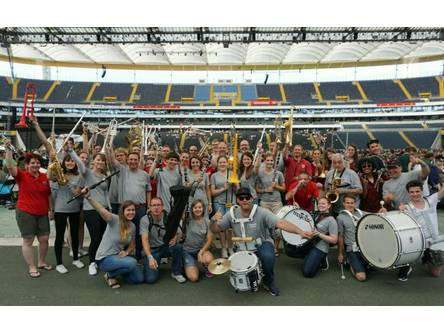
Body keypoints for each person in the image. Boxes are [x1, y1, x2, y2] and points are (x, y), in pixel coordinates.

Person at [211, 187, 312, 296]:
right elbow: (216, 229)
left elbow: (281, 223)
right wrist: (213, 220)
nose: (245, 200)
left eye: (247, 197)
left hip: (262, 243)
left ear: (252, 198)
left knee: (268, 257)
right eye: (241, 198)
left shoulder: (262, 212)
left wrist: (300, 232)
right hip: (242, 246)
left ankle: (269, 281)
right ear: (238, 200)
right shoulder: (231, 214)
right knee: (235, 262)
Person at [5, 148, 52, 278]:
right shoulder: (22, 175)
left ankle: (41, 262)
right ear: (27, 165)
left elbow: (48, 195)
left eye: (37, 163)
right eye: (32, 163)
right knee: (28, 240)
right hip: (25, 212)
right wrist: (9, 150)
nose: (35, 165)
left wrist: (51, 210)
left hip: (42, 213)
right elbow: (9, 165)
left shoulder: (44, 177)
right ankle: (32, 266)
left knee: (44, 238)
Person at [82, 190, 144, 289]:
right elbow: (101, 210)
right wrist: (89, 197)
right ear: (123, 211)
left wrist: (126, 252)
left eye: (133, 210)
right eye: (128, 210)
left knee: (138, 279)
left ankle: (118, 271)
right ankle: (110, 275)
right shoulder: (114, 220)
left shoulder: (132, 226)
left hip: (118, 257)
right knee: (132, 262)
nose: (131, 212)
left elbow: (132, 244)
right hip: (104, 258)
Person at [68, 147, 110, 275]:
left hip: (104, 209)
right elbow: (80, 163)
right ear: (94, 161)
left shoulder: (105, 176)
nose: (100, 163)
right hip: (91, 209)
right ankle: (92, 262)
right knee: (96, 237)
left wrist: (109, 208)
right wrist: (71, 151)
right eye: (98, 160)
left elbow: (106, 193)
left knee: (103, 237)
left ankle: (100, 259)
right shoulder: (87, 173)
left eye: (102, 161)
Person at [106, 148, 151, 261]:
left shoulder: (145, 175)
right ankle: (124, 255)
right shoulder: (122, 170)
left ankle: (138, 257)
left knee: (139, 234)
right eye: (130, 159)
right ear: (127, 160)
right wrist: (109, 146)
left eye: (135, 159)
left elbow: (148, 191)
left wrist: (149, 206)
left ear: (139, 160)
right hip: (125, 209)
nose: (133, 161)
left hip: (140, 208)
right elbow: (112, 160)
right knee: (124, 233)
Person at [395, 180, 444, 281]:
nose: (415, 194)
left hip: (434, 240)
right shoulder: (406, 207)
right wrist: (400, 211)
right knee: (404, 247)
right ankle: (407, 265)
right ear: (408, 193)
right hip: (418, 241)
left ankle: (427, 258)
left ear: (422, 191)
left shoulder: (431, 200)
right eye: (412, 192)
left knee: (436, 273)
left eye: (417, 191)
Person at [49, 154, 85, 274]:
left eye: (72, 161)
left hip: (74, 209)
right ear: (64, 163)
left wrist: (68, 182)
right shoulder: (57, 174)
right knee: (59, 236)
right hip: (60, 210)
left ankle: (75, 258)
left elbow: (77, 194)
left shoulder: (78, 176)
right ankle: (59, 263)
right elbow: (52, 189)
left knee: (74, 235)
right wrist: (52, 210)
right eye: (68, 161)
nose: (70, 163)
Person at [140, 197, 186, 284]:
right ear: (150, 207)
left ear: (162, 207)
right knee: (150, 279)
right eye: (153, 205)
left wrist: (175, 237)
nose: (156, 208)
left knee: (178, 247)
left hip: (165, 246)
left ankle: (176, 272)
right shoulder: (145, 220)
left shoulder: (168, 217)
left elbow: (176, 230)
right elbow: (144, 240)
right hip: (153, 250)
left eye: (158, 205)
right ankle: (149, 263)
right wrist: (150, 257)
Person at [302, 197, 338, 278]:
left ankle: (322, 259)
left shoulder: (331, 220)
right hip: (310, 244)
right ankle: (311, 257)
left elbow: (334, 240)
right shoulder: (316, 214)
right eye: (319, 203)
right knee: (290, 250)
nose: (320, 205)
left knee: (308, 273)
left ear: (329, 205)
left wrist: (318, 234)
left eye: (323, 203)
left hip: (320, 247)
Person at [210, 155, 237, 258]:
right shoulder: (214, 176)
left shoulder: (232, 174)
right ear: (218, 163)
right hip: (219, 203)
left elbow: (237, 190)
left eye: (224, 162)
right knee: (221, 227)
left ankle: (230, 247)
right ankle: (223, 248)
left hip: (231, 202)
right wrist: (223, 189)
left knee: (230, 227)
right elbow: (212, 192)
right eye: (220, 162)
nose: (222, 164)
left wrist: (234, 185)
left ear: (227, 163)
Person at [182, 199, 215, 282]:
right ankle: (188, 265)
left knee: (208, 260)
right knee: (194, 278)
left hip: (201, 250)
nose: (197, 209)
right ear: (192, 209)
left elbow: (209, 240)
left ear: (203, 209)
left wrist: (200, 252)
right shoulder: (187, 220)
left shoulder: (208, 222)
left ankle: (205, 266)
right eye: (195, 207)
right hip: (188, 251)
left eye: (200, 207)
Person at [337, 194, 367, 281]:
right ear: (343, 204)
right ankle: (350, 261)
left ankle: (355, 263)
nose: (350, 205)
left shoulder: (361, 213)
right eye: (347, 203)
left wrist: (382, 210)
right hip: (352, 248)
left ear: (355, 203)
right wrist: (340, 254)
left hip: (365, 247)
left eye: (352, 203)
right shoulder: (340, 217)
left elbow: (375, 215)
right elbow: (341, 236)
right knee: (362, 277)